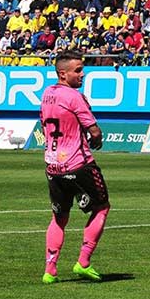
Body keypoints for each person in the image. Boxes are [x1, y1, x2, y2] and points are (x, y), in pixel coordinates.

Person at [40, 50, 109, 284]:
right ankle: (84, 261)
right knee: (101, 207)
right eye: (77, 70)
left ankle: (50, 271)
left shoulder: (47, 93)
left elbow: (44, 125)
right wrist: (97, 139)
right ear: (63, 73)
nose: (82, 74)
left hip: (53, 166)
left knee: (59, 217)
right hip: (79, 164)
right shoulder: (74, 97)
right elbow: (95, 131)